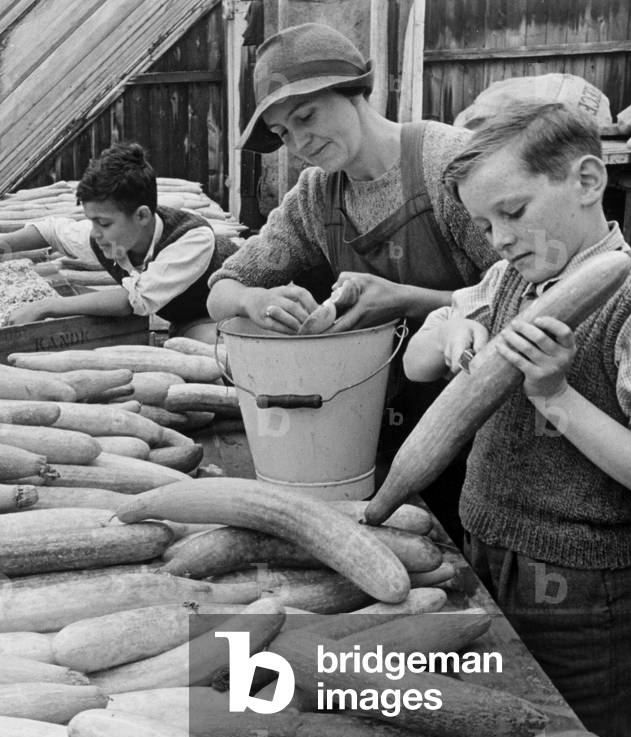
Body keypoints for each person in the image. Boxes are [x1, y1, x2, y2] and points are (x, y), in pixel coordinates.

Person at [403, 101, 631, 737]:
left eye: (511, 212)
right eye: (483, 224)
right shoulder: (512, 279)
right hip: (480, 557)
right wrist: (452, 331)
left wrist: (555, 398)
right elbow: (414, 365)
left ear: (585, 179)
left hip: (581, 595)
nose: (497, 239)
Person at [205, 22, 499, 545]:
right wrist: (256, 298)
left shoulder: (448, 164)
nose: (299, 143)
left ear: (357, 91)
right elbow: (220, 289)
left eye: (306, 116)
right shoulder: (317, 195)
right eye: (282, 133)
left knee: (473, 568)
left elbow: (531, 299)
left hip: (482, 428)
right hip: (364, 428)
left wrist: (407, 301)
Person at [0, 142, 233, 343]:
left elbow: (133, 302)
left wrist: (47, 307)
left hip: (227, 317)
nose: (96, 232)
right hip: (183, 320)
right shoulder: (109, 239)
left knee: (213, 353)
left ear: (142, 216)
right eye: (92, 221)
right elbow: (50, 230)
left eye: (104, 223)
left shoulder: (191, 239)